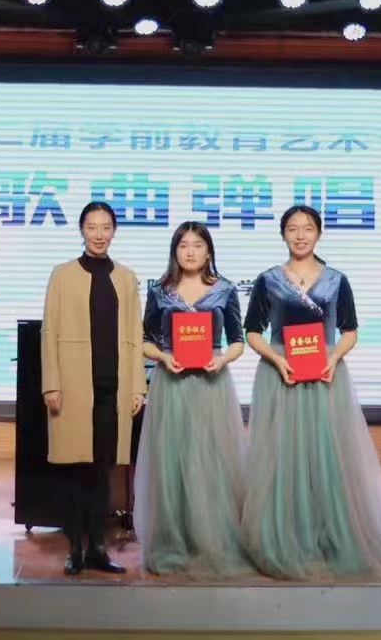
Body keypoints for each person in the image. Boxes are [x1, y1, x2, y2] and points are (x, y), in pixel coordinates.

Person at [240, 205, 381, 581]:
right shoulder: (268, 280)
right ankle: (284, 538)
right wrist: (276, 358)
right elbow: (252, 331)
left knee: (325, 455)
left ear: (319, 233)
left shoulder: (336, 280)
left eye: (308, 228)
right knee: (283, 458)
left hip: (324, 374)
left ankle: (328, 538)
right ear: (282, 234)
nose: (300, 235)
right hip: (281, 376)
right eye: (292, 229)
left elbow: (349, 331)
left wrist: (333, 357)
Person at [132, 221, 252, 578]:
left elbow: (238, 341)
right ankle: (174, 541)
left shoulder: (225, 289)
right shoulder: (160, 291)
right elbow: (144, 340)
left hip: (211, 386)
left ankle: (213, 541)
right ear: (175, 251)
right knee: (172, 463)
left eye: (197, 245)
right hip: (171, 385)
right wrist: (163, 357)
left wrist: (223, 359)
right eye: (183, 245)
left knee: (212, 463)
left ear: (209, 251)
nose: (190, 251)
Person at [41, 201, 146, 575]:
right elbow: (49, 331)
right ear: (82, 230)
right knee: (75, 470)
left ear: (114, 231)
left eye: (105, 227)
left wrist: (138, 387)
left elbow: (135, 334)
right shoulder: (62, 274)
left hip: (112, 388)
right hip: (72, 387)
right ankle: (74, 548)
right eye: (92, 227)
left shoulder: (126, 277)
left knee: (102, 471)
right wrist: (51, 384)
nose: (99, 234)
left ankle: (98, 548)